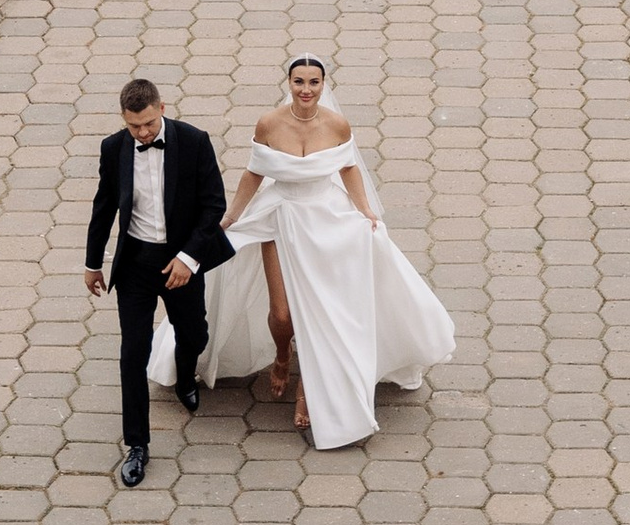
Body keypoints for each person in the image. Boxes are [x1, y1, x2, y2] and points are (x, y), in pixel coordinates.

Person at [172, 52, 456, 449]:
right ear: (288, 83)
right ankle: (282, 354)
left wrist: (365, 210)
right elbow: (255, 171)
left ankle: (308, 386)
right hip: (280, 217)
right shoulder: (269, 123)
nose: (306, 89)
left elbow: (348, 167)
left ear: (324, 85)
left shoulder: (337, 124)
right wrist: (232, 216)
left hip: (328, 223)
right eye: (299, 81)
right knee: (283, 312)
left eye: (314, 82)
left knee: (323, 310)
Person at [84, 75, 230, 487]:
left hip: (181, 260)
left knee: (194, 334)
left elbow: (213, 204)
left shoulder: (194, 141)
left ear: (161, 108)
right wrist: (93, 262)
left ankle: (186, 374)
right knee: (133, 352)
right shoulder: (114, 149)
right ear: (123, 119)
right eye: (135, 127)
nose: (143, 132)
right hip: (135, 263)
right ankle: (137, 445)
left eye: (148, 124)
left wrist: (188, 258)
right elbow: (104, 206)